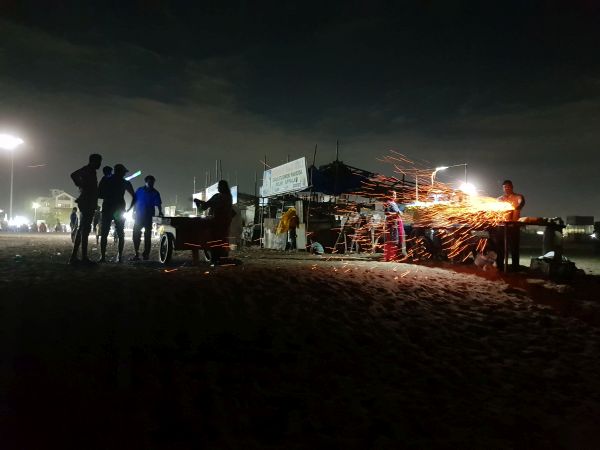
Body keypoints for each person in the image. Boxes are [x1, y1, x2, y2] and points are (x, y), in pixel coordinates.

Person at [69, 153, 102, 265]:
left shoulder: (91, 171)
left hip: (89, 202)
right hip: (86, 203)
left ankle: (80, 257)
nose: (100, 164)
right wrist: (81, 185)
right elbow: (73, 175)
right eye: (98, 162)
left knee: (83, 229)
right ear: (93, 161)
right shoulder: (87, 170)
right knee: (83, 229)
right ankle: (79, 257)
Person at [98, 163, 135, 263]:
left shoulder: (106, 179)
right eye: (123, 172)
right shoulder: (124, 182)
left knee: (105, 233)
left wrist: (108, 195)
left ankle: (103, 257)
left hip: (108, 208)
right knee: (120, 233)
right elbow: (134, 196)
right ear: (121, 172)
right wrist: (129, 209)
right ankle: (119, 256)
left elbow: (99, 193)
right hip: (118, 210)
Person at [194, 179, 233, 266]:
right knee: (222, 240)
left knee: (214, 240)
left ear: (222, 187)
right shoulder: (229, 197)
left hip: (217, 223)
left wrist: (199, 202)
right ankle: (220, 258)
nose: (218, 187)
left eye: (219, 186)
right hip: (225, 224)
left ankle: (215, 259)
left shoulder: (219, 197)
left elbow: (206, 206)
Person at [495, 179, 526, 271]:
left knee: (514, 248)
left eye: (508, 186)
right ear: (503, 188)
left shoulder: (518, 197)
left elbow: (522, 202)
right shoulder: (499, 199)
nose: (507, 188)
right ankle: (500, 266)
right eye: (505, 187)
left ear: (512, 187)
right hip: (501, 226)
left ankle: (515, 267)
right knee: (500, 247)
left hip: (514, 226)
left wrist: (518, 207)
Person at [130, 175, 163, 261]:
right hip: (139, 217)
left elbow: (158, 204)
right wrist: (133, 211)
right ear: (146, 182)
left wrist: (160, 212)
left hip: (149, 217)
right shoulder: (139, 190)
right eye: (150, 182)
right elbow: (135, 201)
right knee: (136, 235)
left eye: (153, 182)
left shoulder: (155, 192)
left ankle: (146, 254)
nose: (151, 184)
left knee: (147, 237)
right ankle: (136, 253)